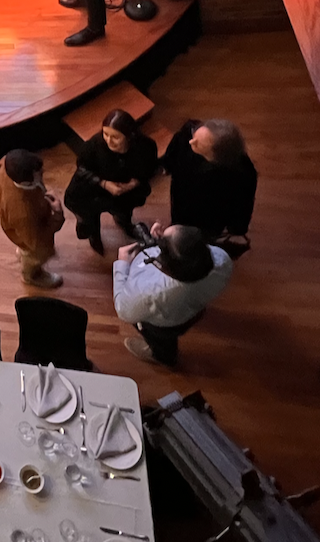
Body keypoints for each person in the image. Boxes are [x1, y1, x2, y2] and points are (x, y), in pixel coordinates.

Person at [115, 222, 233, 367]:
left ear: (166, 263)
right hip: (194, 310)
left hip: (164, 325)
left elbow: (123, 309)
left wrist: (122, 264)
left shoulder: (150, 293)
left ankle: (163, 357)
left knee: (162, 343)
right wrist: (171, 243)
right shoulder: (222, 259)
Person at [64, 109, 158, 255]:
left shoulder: (145, 146)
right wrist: (104, 184)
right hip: (96, 188)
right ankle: (94, 235)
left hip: (126, 190)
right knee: (91, 216)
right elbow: (82, 167)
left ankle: (124, 222)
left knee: (124, 210)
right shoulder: (95, 144)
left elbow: (149, 167)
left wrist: (132, 184)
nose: (108, 140)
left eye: (115, 137)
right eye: (105, 134)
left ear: (129, 136)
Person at [162, 118, 257, 256]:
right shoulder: (189, 133)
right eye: (195, 136)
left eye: (198, 144)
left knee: (201, 238)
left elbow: (243, 203)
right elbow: (176, 146)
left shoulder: (241, 173)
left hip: (209, 215)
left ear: (216, 155)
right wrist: (168, 165)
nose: (190, 142)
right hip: (181, 201)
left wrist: (238, 227)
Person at [0, 149, 66, 288]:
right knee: (35, 256)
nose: (42, 173)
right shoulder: (23, 212)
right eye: (39, 174)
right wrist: (58, 214)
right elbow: (37, 240)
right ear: (27, 180)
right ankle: (31, 276)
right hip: (30, 236)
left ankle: (23, 251)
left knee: (25, 244)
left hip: (18, 227)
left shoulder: (7, 166)